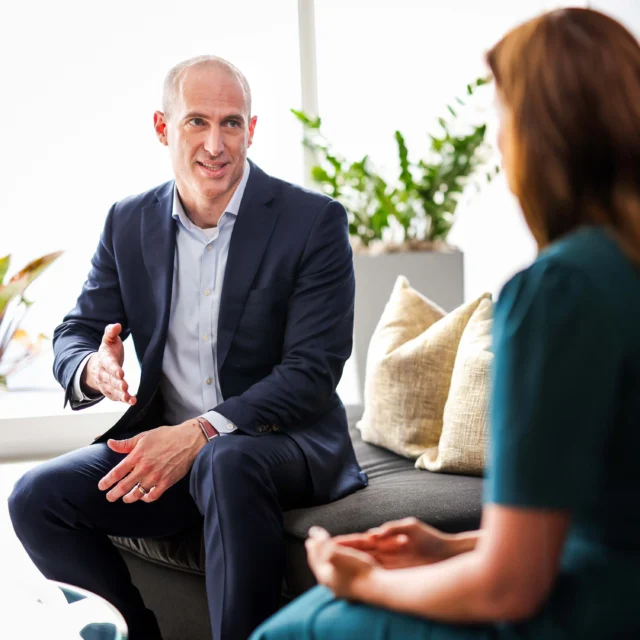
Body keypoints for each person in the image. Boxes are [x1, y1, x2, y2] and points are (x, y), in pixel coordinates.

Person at [250, 8, 640, 640]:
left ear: (543, 133)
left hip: (585, 615)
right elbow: (602, 513)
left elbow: (511, 584)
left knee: (292, 630)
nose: (496, 138)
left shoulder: (559, 290)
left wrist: (361, 581)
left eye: (501, 114)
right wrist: (448, 547)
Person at [8, 55, 367, 640]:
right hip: (171, 445)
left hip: (284, 444)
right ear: (162, 128)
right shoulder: (129, 221)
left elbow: (311, 372)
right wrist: (93, 368)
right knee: (36, 497)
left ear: (252, 129)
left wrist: (200, 433)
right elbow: (76, 331)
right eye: (196, 122)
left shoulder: (313, 222)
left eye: (232, 123)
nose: (216, 143)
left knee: (226, 459)